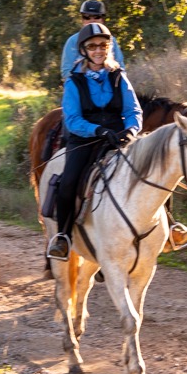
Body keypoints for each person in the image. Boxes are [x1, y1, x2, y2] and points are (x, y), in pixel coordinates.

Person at [47, 21, 141, 261]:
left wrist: (131, 131)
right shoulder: (74, 81)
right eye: (92, 46)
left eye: (103, 45)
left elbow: (134, 111)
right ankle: (63, 237)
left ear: (108, 48)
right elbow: (73, 118)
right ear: (84, 50)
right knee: (69, 182)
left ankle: (170, 227)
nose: (98, 50)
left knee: (152, 166)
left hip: (118, 137)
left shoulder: (119, 76)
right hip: (85, 138)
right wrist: (97, 130)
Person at [59, 0, 125, 74]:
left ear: (103, 19)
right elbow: (67, 71)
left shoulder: (111, 40)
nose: (92, 20)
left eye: (96, 17)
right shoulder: (72, 41)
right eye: (87, 17)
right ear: (82, 19)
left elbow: (121, 68)